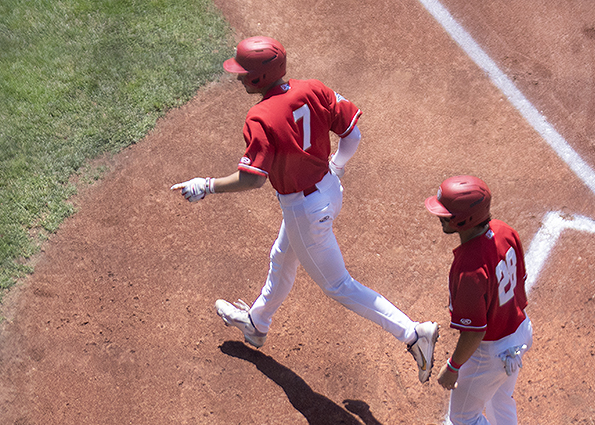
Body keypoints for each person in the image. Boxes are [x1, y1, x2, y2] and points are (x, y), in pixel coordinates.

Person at [171, 37, 439, 381]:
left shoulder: (260, 117)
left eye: (243, 73)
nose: (238, 78)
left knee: (339, 286)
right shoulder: (313, 88)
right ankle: (257, 323)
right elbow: (352, 136)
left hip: (305, 210)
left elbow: (252, 179)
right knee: (281, 256)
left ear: (258, 78)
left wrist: (205, 185)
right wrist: (337, 167)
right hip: (330, 188)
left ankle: (413, 333)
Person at [425, 176, 542, 425]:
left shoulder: (469, 269)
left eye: (445, 213)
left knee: (463, 415)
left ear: (463, 220)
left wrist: (452, 366)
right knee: (500, 400)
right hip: (519, 332)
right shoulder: (505, 231)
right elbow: (520, 286)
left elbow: (473, 334)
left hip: (490, 351)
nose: (440, 217)